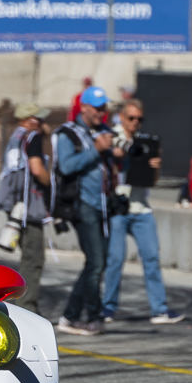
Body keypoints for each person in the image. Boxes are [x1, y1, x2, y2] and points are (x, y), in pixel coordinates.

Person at [102, 99, 183, 324]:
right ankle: (108, 308)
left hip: (141, 206)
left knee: (151, 257)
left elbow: (151, 181)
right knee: (115, 259)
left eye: (139, 119)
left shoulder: (145, 142)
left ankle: (159, 309)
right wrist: (115, 155)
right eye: (131, 118)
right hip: (119, 206)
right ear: (122, 117)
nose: (135, 123)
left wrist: (155, 166)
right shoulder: (112, 136)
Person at [53, 87, 116, 335]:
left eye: (104, 108)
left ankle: (70, 315)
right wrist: (96, 150)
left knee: (96, 263)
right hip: (82, 204)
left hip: (104, 205)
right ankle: (93, 315)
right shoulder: (68, 133)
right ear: (85, 108)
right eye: (97, 108)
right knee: (96, 262)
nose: (101, 113)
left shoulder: (104, 131)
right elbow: (66, 166)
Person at [0, 106, 52, 308]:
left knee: (27, 255)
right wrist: (50, 182)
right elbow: (36, 168)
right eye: (39, 119)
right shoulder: (32, 137)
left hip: (15, 203)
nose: (42, 124)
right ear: (29, 120)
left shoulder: (15, 137)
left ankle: (23, 302)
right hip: (29, 206)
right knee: (34, 258)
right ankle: (27, 306)